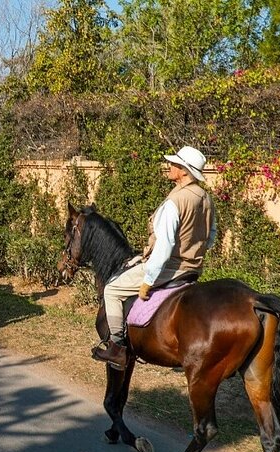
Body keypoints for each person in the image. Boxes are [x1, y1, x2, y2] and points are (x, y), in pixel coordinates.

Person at [93, 146, 217, 369]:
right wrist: (194, 251)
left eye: (174, 164)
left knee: (111, 290)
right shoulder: (206, 198)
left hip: (170, 267)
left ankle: (117, 348)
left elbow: (165, 244)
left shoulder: (175, 201)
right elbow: (211, 235)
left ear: (184, 171)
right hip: (194, 269)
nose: (170, 167)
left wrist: (149, 280)